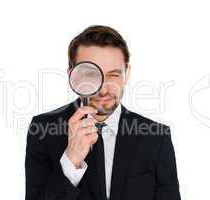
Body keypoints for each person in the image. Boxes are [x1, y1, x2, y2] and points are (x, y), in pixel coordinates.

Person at [25, 25, 181, 200]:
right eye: (91, 75)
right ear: (72, 75)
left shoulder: (157, 137)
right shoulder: (42, 130)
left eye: (113, 75)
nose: (104, 90)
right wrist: (71, 159)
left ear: (127, 73)